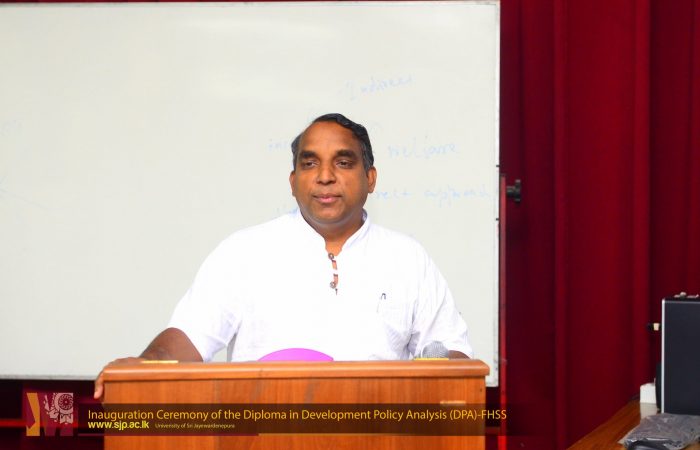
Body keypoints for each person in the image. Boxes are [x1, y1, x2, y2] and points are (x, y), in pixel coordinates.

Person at [94, 113, 471, 400]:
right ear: (293, 182)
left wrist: (441, 372)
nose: (325, 176)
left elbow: (450, 353)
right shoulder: (245, 252)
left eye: (343, 162)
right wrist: (146, 365)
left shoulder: (407, 259)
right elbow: (188, 337)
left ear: (370, 178)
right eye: (309, 163)